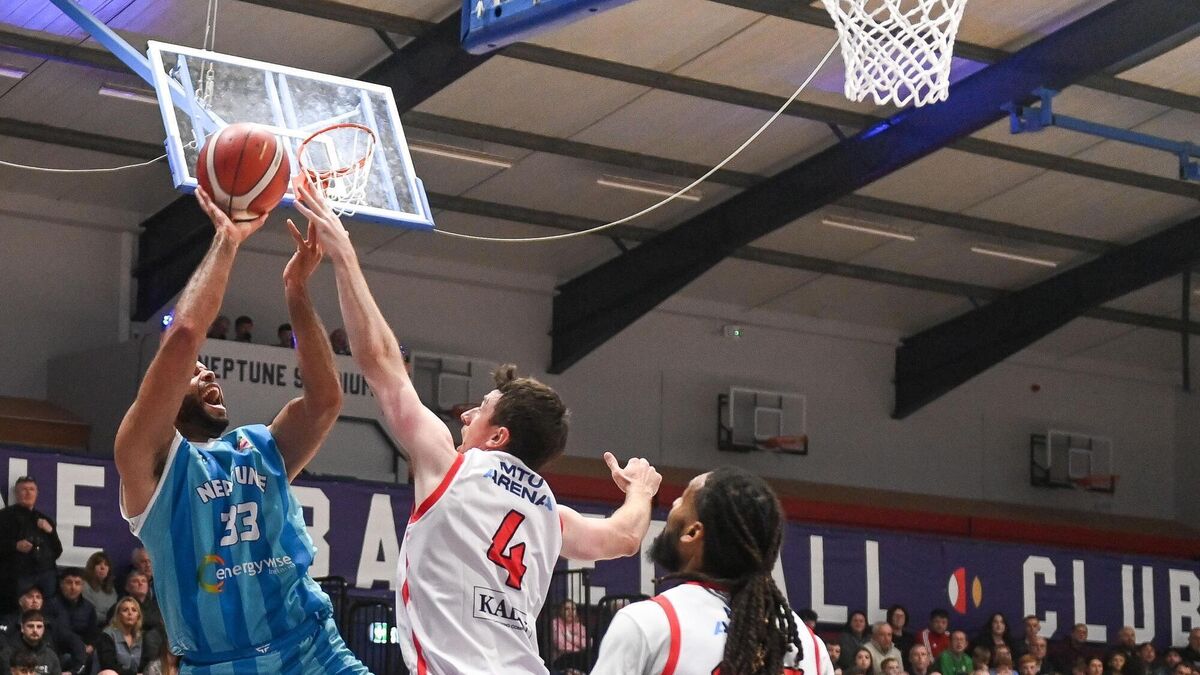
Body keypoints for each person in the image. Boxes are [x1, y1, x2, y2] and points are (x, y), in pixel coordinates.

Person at [296, 175, 662, 674]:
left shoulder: (450, 469)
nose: (465, 415)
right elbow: (625, 537)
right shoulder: (549, 516)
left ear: (497, 436)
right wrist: (640, 490)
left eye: (481, 409)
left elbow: (382, 364)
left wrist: (343, 254)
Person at [112, 188, 367, 673]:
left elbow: (325, 400)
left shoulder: (259, 447)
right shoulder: (148, 463)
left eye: (207, 370)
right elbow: (184, 336)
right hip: (219, 664)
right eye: (194, 373)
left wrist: (297, 289)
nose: (207, 372)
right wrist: (227, 240)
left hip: (313, 651)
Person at [589, 467, 833, 675]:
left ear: (693, 533)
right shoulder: (811, 647)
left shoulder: (650, 623)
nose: (673, 504)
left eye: (682, 499)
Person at [0, 477, 63, 610]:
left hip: (45, 575)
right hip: (17, 576)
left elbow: (57, 551)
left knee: (47, 612)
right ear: (16, 493)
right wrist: (15, 546)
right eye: (24, 489)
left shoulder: (45, 520)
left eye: (31, 489)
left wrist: (50, 532)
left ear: (37, 493)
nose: (28, 493)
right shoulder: (4, 517)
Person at [0, 585, 84, 675]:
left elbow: (75, 642)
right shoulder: (8, 622)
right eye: (30, 597)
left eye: (38, 597)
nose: (35, 600)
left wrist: (73, 671)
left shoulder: (52, 625)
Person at [95, 597, 162, 675]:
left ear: (138, 616)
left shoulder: (141, 637)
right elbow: (109, 665)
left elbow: (145, 664)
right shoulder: (107, 635)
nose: (130, 613)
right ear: (118, 615)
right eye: (125, 610)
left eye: (134, 610)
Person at [46, 571, 97, 653]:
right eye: (69, 583)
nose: (73, 587)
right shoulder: (51, 605)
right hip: (58, 650)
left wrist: (91, 646)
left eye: (77, 583)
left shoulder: (89, 607)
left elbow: (93, 633)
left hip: (83, 649)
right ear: (61, 584)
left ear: (82, 586)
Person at [7, 611, 59, 675]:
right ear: (22, 628)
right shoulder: (8, 654)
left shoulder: (51, 655)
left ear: (44, 629)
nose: (35, 630)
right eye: (30, 626)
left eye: (39, 626)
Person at [550, 600, 588, 675]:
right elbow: (561, 645)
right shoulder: (555, 623)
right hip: (562, 658)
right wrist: (578, 648)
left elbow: (586, 644)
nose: (570, 612)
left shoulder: (579, 626)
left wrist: (570, 638)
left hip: (579, 659)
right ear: (561, 611)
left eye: (573, 609)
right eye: (567, 609)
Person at [81, 553, 117, 624]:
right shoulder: (84, 586)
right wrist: (110, 618)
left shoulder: (111, 589)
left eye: (106, 565)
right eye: (98, 564)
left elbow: (116, 610)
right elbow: (90, 613)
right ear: (91, 567)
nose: (103, 567)